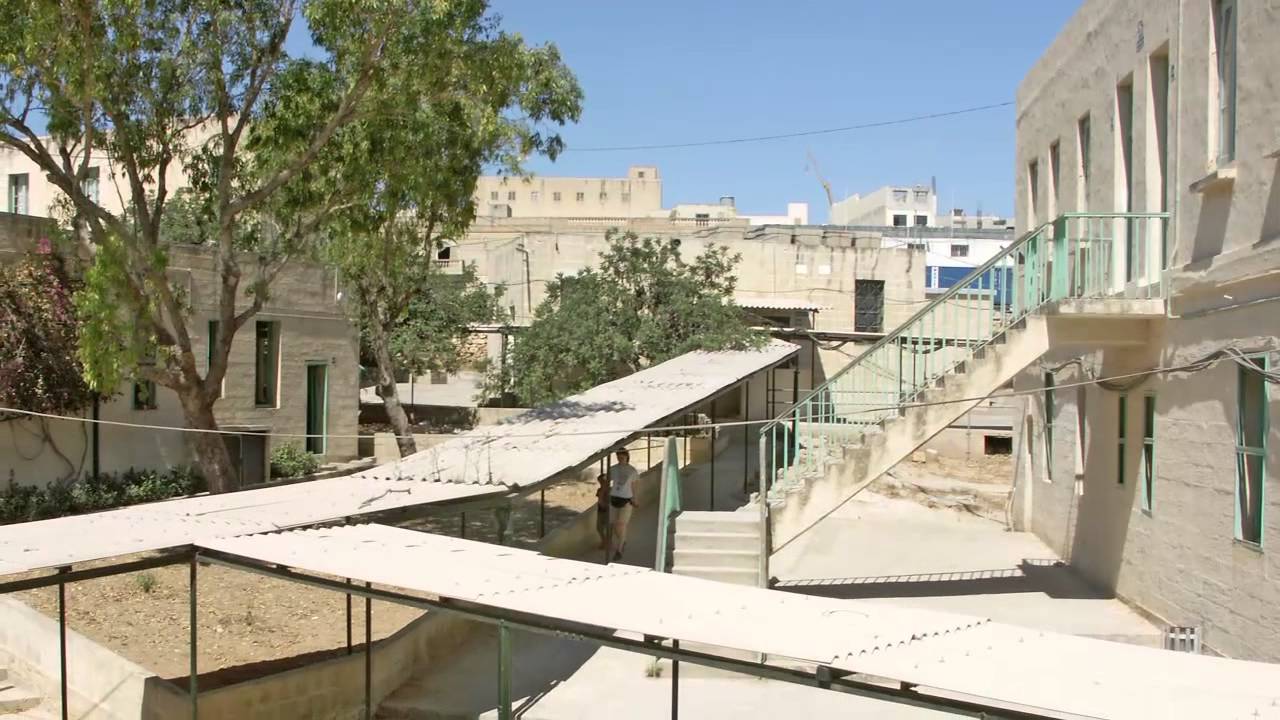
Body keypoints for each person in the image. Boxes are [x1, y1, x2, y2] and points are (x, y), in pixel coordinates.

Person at [607, 449, 639, 561]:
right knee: (615, 525)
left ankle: (619, 550)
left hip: (626, 500)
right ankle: (623, 540)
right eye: (618, 456)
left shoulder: (632, 470)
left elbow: (634, 486)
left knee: (621, 524)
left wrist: (635, 499)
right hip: (614, 498)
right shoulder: (613, 469)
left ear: (627, 456)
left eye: (622, 456)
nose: (620, 458)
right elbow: (607, 480)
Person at [595, 472, 610, 549]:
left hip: (608, 511)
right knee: (599, 527)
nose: (601, 483)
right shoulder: (600, 490)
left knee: (608, 527)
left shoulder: (611, 490)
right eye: (600, 481)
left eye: (602, 481)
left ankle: (606, 543)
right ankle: (604, 541)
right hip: (601, 511)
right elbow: (599, 499)